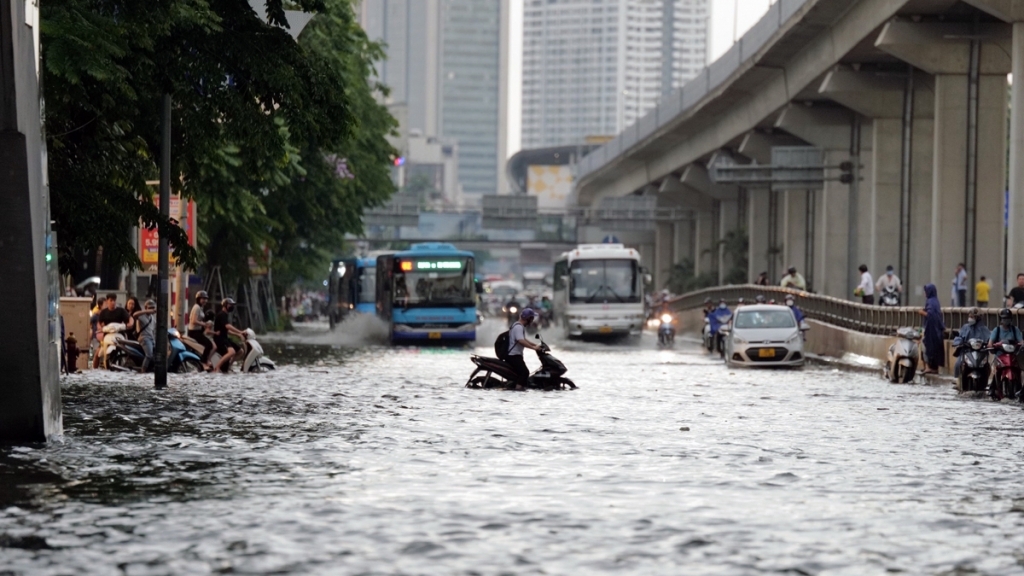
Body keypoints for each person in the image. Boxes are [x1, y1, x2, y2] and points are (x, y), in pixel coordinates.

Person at [506, 308, 542, 390]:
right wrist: (534, 348)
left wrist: (535, 344)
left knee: (520, 374)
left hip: (514, 355)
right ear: (528, 318)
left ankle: (517, 386)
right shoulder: (519, 327)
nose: (532, 320)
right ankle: (518, 390)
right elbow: (521, 341)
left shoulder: (517, 325)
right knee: (524, 373)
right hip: (514, 356)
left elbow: (523, 339)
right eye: (532, 318)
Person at [94, 294, 130, 368]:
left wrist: (129, 325)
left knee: (126, 349)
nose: (113, 302)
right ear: (107, 301)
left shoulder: (121, 311)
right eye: (111, 300)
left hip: (119, 334)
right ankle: (94, 369)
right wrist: (102, 328)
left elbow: (129, 319)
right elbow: (100, 323)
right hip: (107, 335)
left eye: (114, 300)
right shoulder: (103, 312)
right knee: (98, 353)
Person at [213, 298, 247, 373]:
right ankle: (217, 367)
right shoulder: (221, 315)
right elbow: (228, 326)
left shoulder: (225, 315)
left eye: (232, 305)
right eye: (230, 305)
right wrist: (240, 332)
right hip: (219, 339)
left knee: (240, 351)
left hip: (225, 338)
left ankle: (228, 366)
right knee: (232, 352)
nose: (231, 306)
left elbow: (226, 330)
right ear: (225, 305)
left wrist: (237, 334)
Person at [918, 284, 946, 374]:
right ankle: (931, 367)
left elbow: (930, 315)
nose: (925, 293)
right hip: (935, 330)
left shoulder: (930, 302)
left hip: (931, 330)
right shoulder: (935, 301)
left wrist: (922, 312)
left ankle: (929, 367)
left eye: (926, 291)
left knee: (927, 348)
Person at [954, 308, 990, 377]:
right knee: (958, 364)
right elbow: (960, 336)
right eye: (969, 316)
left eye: (972, 317)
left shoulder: (984, 329)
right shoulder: (965, 327)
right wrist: (958, 342)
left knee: (986, 365)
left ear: (978, 318)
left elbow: (989, 339)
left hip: (980, 353)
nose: (970, 318)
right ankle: (958, 379)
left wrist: (989, 344)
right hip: (967, 352)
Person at [188, 290, 214, 371]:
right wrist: (205, 324)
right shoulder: (196, 307)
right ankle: (204, 362)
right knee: (209, 345)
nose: (205, 300)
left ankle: (205, 360)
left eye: (206, 299)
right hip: (194, 332)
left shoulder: (200, 308)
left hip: (198, 331)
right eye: (203, 299)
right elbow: (194, 321)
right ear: (198, 299)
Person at [134, 300, 157, 371]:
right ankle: (143, 370)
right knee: (149, 355)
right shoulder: (142, 316)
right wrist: (146, 311)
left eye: (153, 308)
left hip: (151, 338)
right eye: (150, 308)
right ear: (146, 308)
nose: (151, 310)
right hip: (144, 338)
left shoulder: (153, 318)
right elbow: (135, 315)